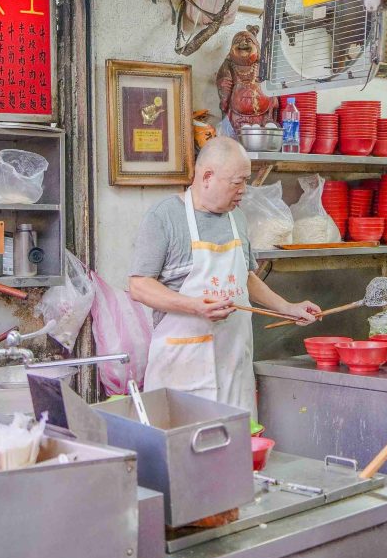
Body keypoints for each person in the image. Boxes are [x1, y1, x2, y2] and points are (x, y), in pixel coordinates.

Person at [129, 137, 320, 411]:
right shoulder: (164, 217)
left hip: (233, 365)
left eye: (246, 180)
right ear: (207, 176)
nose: (244, 190)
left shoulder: (237, 218)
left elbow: (245, 275)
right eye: (237, 182)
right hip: (183, 368)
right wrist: (193, 306)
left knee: (238, 443)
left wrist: (287, 308)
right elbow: (139, 286)